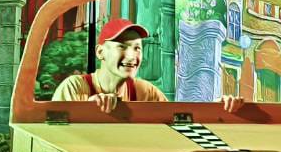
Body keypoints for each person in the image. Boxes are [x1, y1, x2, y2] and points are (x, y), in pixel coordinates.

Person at [51, 18, 240, 112]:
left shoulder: (146, 93)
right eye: (122, 46)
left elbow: (177, 125)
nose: (132, 56)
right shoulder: (74, 88)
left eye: (137, 48)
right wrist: (86, 112)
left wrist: (217, 110)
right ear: (100, 52)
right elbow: (55, 141)